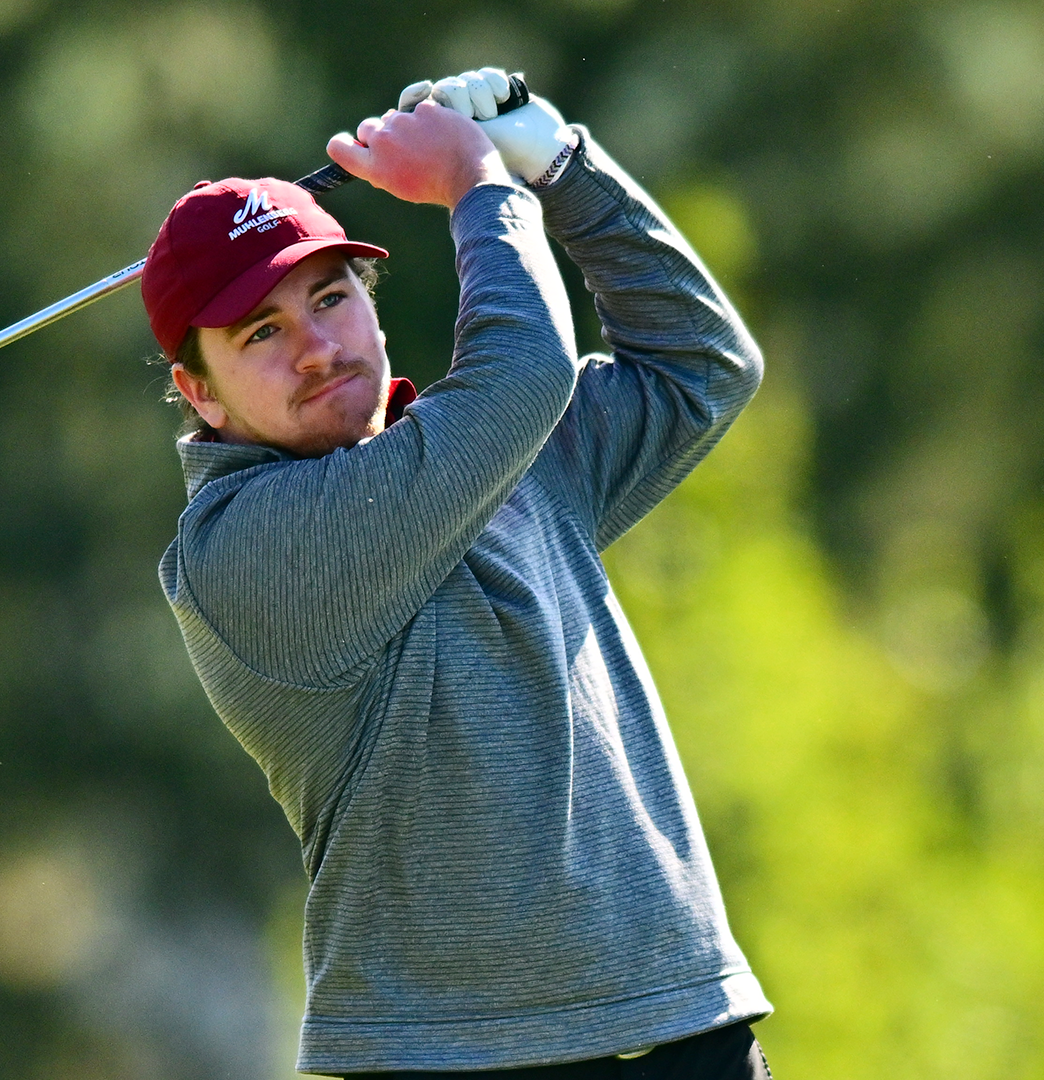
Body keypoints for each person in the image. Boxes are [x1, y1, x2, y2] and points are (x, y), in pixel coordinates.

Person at [140, 68, 772, 1079]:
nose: (316, 348)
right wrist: (483, 186)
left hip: (680, 1036)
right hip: (452, 1062)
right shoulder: (241, 554)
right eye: (261, 332)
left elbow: (703, 367)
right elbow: (520, 378)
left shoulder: (496, 454)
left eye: (331, 297)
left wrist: (566, 166)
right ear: (198, 393)